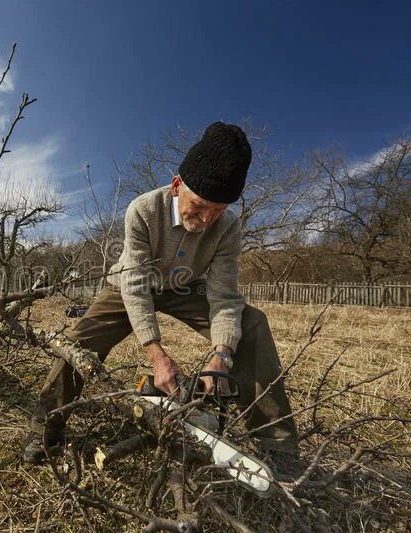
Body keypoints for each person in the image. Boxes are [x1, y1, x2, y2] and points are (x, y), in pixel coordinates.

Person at [22, 122, 299, 472]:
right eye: (198, 206)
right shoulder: (142, 210)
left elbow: (225, 295)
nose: (205, 219)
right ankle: (44, 429)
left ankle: (278, 444)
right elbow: (135, 284)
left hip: (183, 288)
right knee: (81, 340)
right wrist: (156, 354)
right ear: (176, 186)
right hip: (129, 284)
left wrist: (222, 354)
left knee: (251, 323)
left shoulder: (227, 227)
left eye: (217, 210)